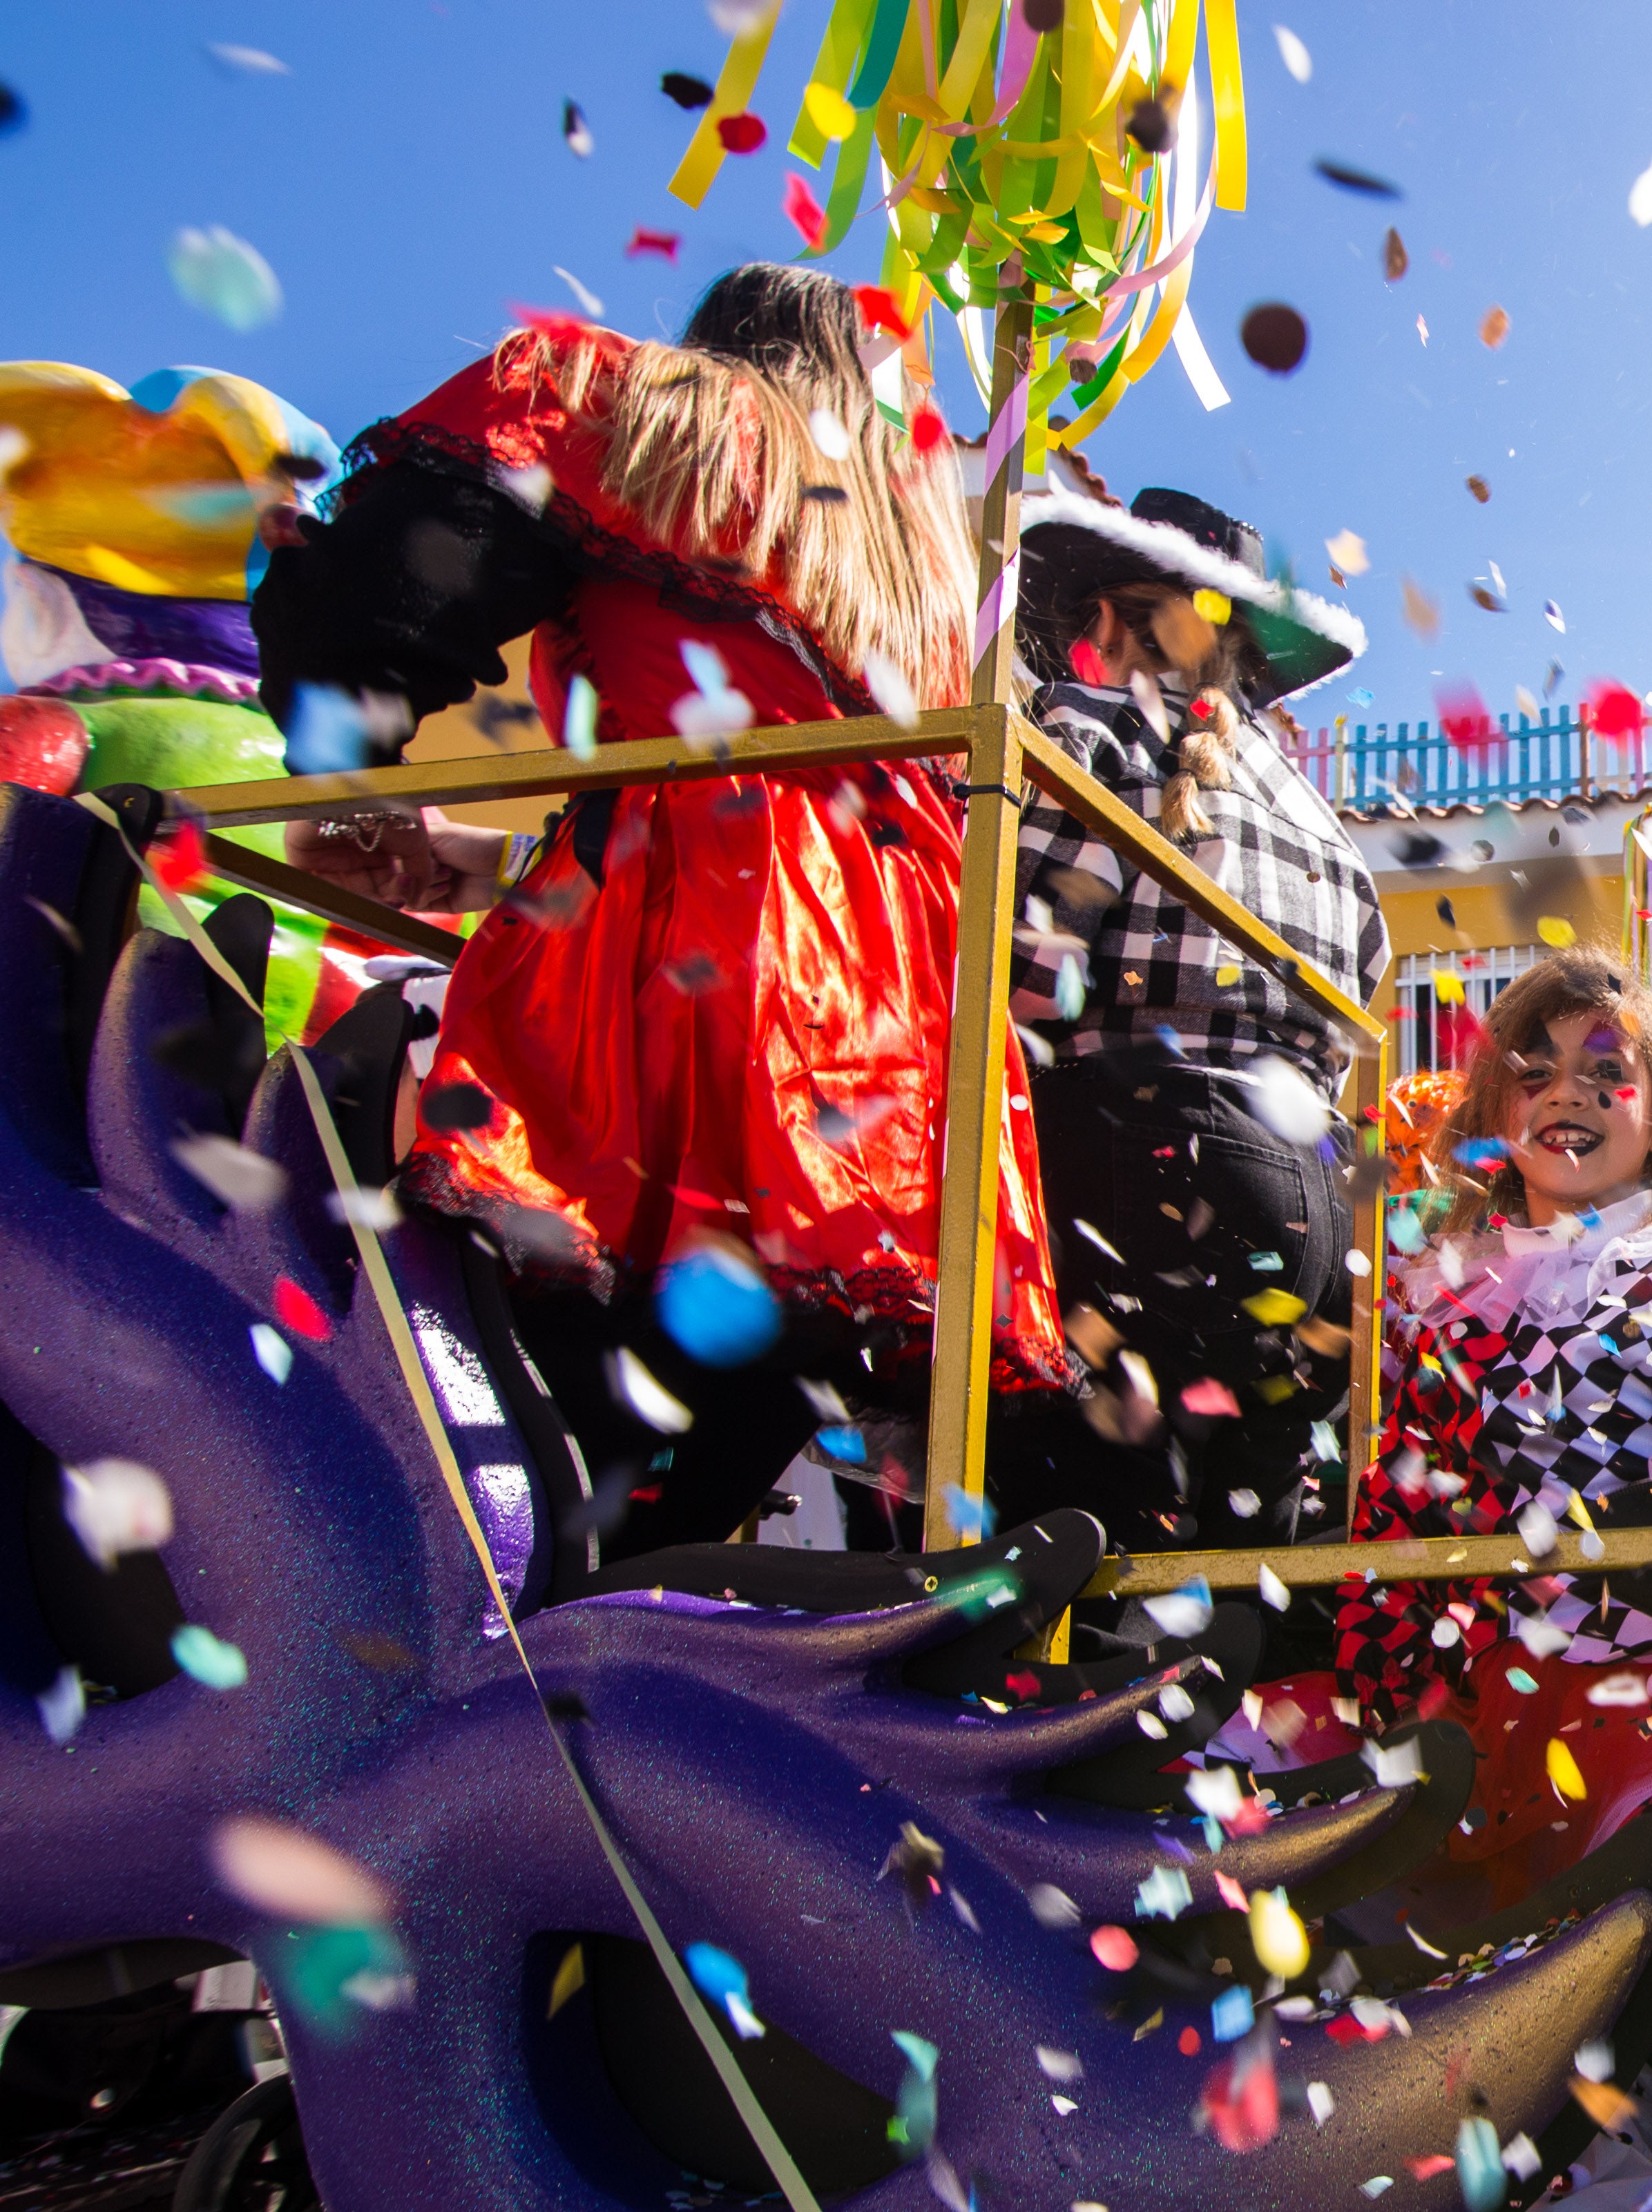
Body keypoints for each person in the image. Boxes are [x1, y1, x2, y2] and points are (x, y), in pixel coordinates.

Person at [252, 266, 1068, 1564]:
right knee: (765, 1355)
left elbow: (396, 597)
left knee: (555, 1346)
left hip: (706, 910)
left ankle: (533, 1628)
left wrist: (316, 646)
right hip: (890, 973)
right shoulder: (920, 551)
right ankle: (624, 1626)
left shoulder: (648, 402)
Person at [1231, 945, 1652, 1914]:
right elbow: (1399, 1516)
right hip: (1471, 1703)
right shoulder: (1442, 1307)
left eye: (1606, 1073)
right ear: (1499, 1113)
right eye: (1536, 1072)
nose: (1565, 1093)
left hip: (1643, 1689)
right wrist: (1384, 1697)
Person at [998, 486, 1387, 1551]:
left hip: (1148, 1162)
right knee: (1230, 1538)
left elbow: (1027, 975)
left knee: (1072, 1503)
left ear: (1113, 623)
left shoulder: (1096, 721)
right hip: (1315, 1200)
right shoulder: (1323, 823)